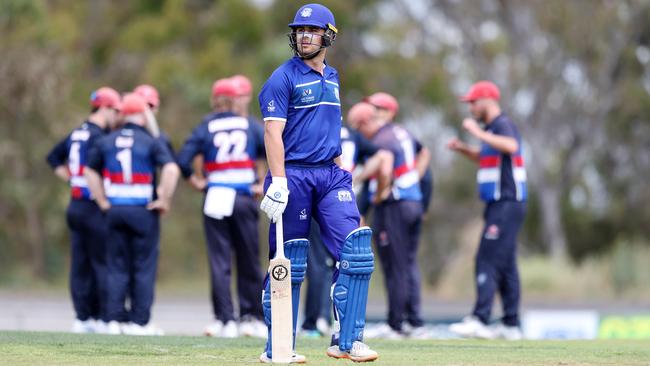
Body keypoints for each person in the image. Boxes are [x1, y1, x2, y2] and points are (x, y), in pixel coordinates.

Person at [257, 3, 378, 363]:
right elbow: (272, 133)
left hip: (329, 175)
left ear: (328, 36)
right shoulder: (282, 77)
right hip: (292, 174)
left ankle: (348, 340)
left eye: (311, 31)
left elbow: (328, 126)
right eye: (300, 31)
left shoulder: (333, 76)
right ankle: (278, 348)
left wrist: (341, 166)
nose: (304, 36)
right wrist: (278, 181)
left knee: (356, 253)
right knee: (290, 262)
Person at [176, 78, 267, 339]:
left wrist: (197, 181)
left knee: (220, 261)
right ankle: (252, 317)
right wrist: (263, 182)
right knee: (249, 258)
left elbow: (183, 160)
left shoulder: (206, 125)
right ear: (233, 100)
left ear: (215, 100)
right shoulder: (250, 125)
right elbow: (274, 150)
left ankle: (224, 319)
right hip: (243, 195)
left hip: (215, 196)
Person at [84, 93, 180, 335]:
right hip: (142, 211)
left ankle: (114, 320)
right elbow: (170, 169)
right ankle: (139, 322)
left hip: (114, 210)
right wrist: (163, 199)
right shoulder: (150, 141)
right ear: (142, 115)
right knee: (143, 267)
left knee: (116, 266)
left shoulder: (107, 140)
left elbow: (89, 172)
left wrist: (103, 201)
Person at [300, 104, 391, 339]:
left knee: (319, 262)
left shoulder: (318, 129)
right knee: (345, 260)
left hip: (322, 194)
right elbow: (382, 157)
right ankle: (342, 323)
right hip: (345, 196)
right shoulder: (353, 136)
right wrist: (357, 178)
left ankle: (316, 321)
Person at [446, 80, 527, 340]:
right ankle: (511, 323)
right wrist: (465, 149)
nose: (470, 108)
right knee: (506, 264)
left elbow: (512, 147)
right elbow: (487, 157)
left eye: (473, 102)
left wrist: (476, 133)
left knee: (486, 258)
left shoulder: (502, 124)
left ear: (487, 101)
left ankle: (480, 319)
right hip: (500, 203)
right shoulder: (493, 129)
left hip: (507, 201)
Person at [46, 87, 121, 333]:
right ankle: (101, 317)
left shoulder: (76, 133)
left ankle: (82, 317)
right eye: (115, 110)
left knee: (80, 263)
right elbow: (93, 171)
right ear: (105, 108)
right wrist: (102, 198)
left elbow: (54, 159)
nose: (116, 116)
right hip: (92, 205)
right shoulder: (100, 137)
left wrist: (71, 180)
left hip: (75, 205)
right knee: (101, 262)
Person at [355, 98, 431, 339]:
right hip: (412, 202)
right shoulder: (402, 132)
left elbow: (385, 169)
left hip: (395, 206)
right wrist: (413, 181)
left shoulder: (380, 139)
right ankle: (414, 321)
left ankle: (396, 324)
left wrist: (379, 195)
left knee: (394, 265)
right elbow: (425, 152)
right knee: (408, 264)